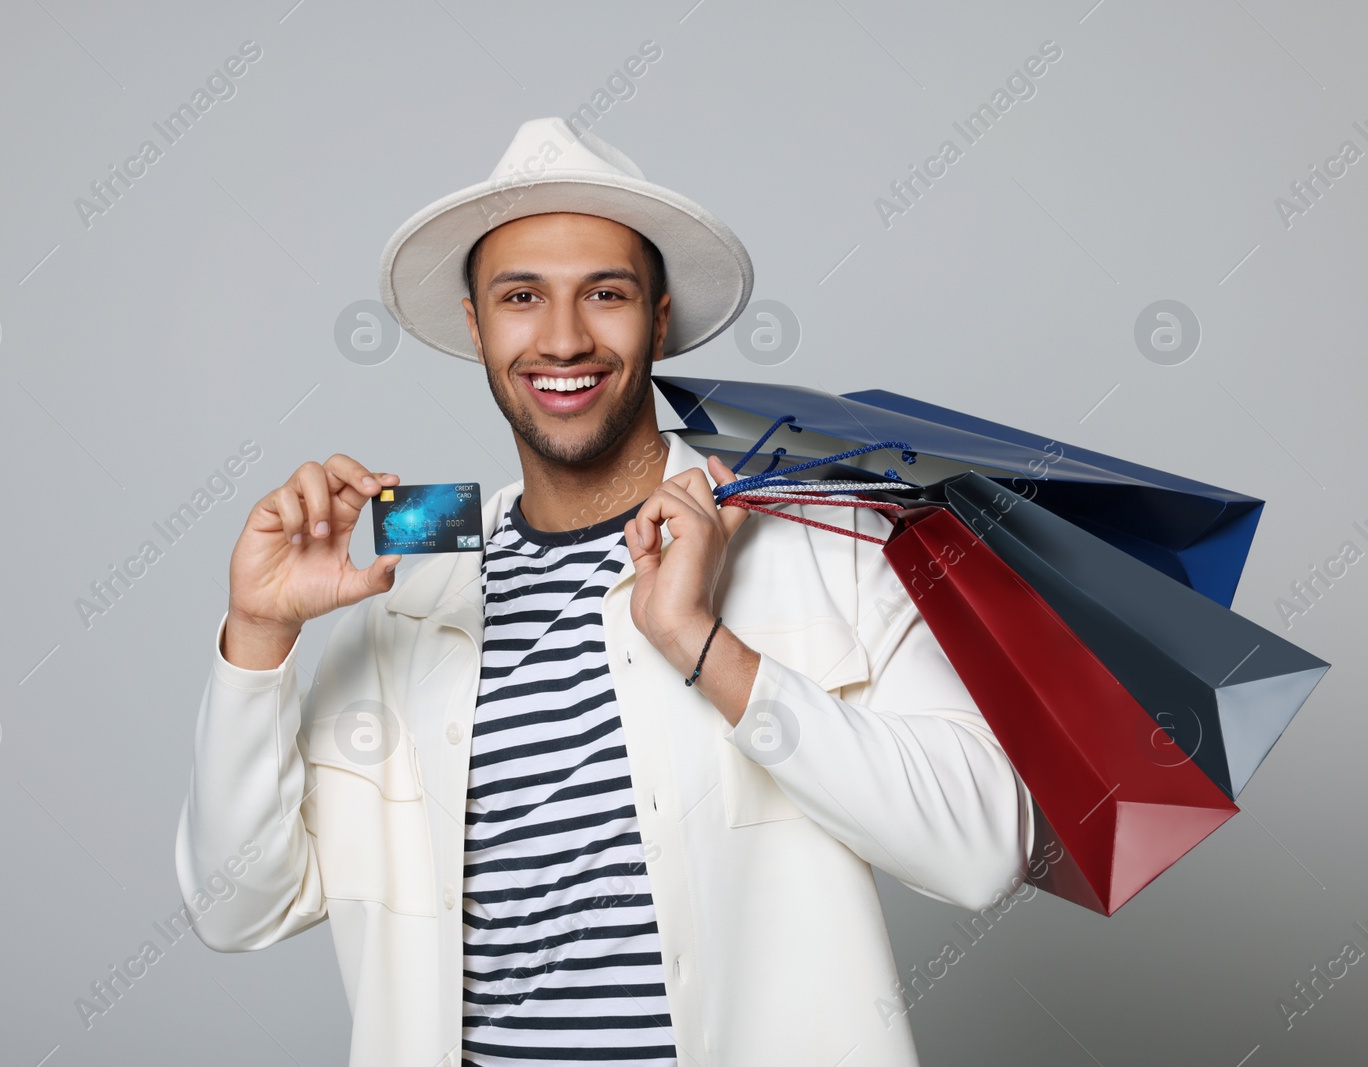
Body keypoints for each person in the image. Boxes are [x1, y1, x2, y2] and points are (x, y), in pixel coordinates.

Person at [175, 116, 1035, 1067]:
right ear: (475, 326)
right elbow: (235, 906)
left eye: (606, 293)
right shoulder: (410, 568)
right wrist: (258, 633)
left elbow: (983, 849)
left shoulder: (810, 533)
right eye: (520, 296)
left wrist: (706, 645)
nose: (563, 337)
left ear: (658, 316)